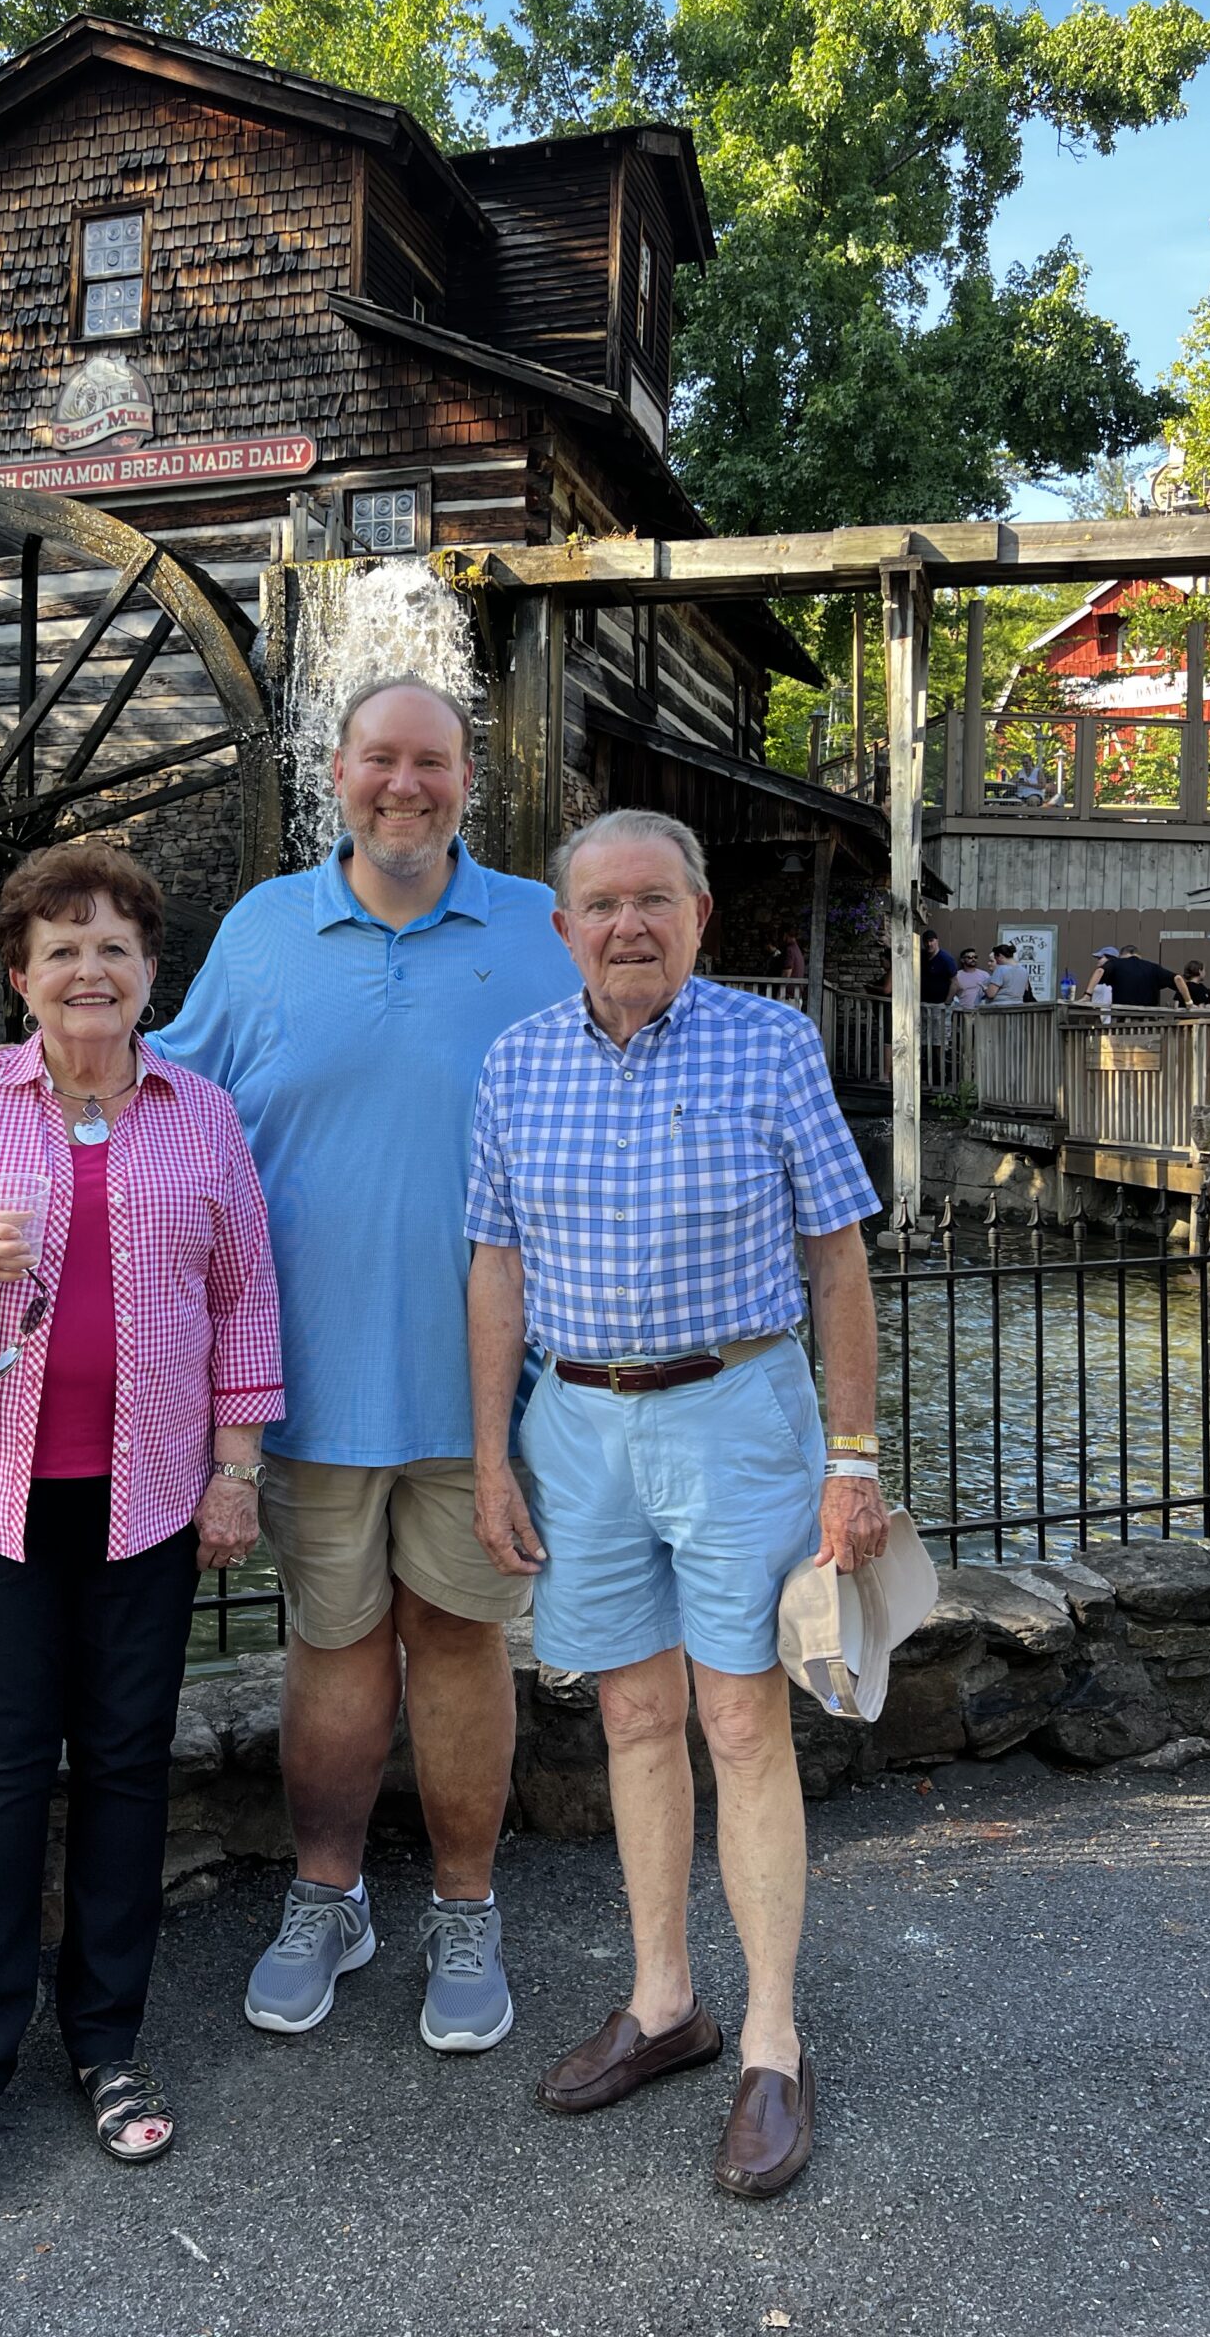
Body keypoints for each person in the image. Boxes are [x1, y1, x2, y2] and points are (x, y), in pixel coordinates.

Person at [0, 842, 283, 2217]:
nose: (88, 971)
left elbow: (245, 1300)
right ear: (20, 976)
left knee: (128, 1770)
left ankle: (108, 2050)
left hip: (150, 1492)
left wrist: (236, 1470)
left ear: (152, 972)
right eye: (59, 950)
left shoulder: (201, 1113)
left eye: (113, 947)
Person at [152, 675, 579, 2053]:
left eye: (434, 763)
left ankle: (467, 1912)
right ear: (334, 771)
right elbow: (167, 1096)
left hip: (485, 1395)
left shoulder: (540, 928)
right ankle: (325, 1897)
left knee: (459, 1646)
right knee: (330, 1649)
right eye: (380, 761)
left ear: (471, 776)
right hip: (306, 1382)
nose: (407, 786)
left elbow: (626, 1089)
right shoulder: (267, 927)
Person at [466, 808, 884, 2200]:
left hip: (736, 1414)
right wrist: (489, 1456)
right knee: (634, 1714)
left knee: (741, 1717)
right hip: (577, 1422)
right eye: (602, 903)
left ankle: (772, 2036)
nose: (628, 925)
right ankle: (664, 2004)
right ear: (563, 927)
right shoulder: (517, 1063)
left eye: (655, 899)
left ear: (699, 917)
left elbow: (836, 1262)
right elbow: (496, 1275)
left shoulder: (770, 1046)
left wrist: (855, 1456)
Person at [1084, 945, 1192, 1010]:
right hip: (1148, 1021)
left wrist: (1087, 995)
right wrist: (1189, 1002)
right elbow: (1178, 978)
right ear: (1138, 955)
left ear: (1122, 955)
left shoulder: (1116, 963)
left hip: (1122, 1017)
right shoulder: (1153, 967)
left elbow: (1099, 971)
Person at [920, 930, 957, 1005]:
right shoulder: (921, 956)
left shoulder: (946, 959)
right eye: (926, 942)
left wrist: (947, 1002)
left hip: (940, 1003)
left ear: (937, 941)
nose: (929, 944)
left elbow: (954, 982)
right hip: (923, 1002)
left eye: (931, 941)